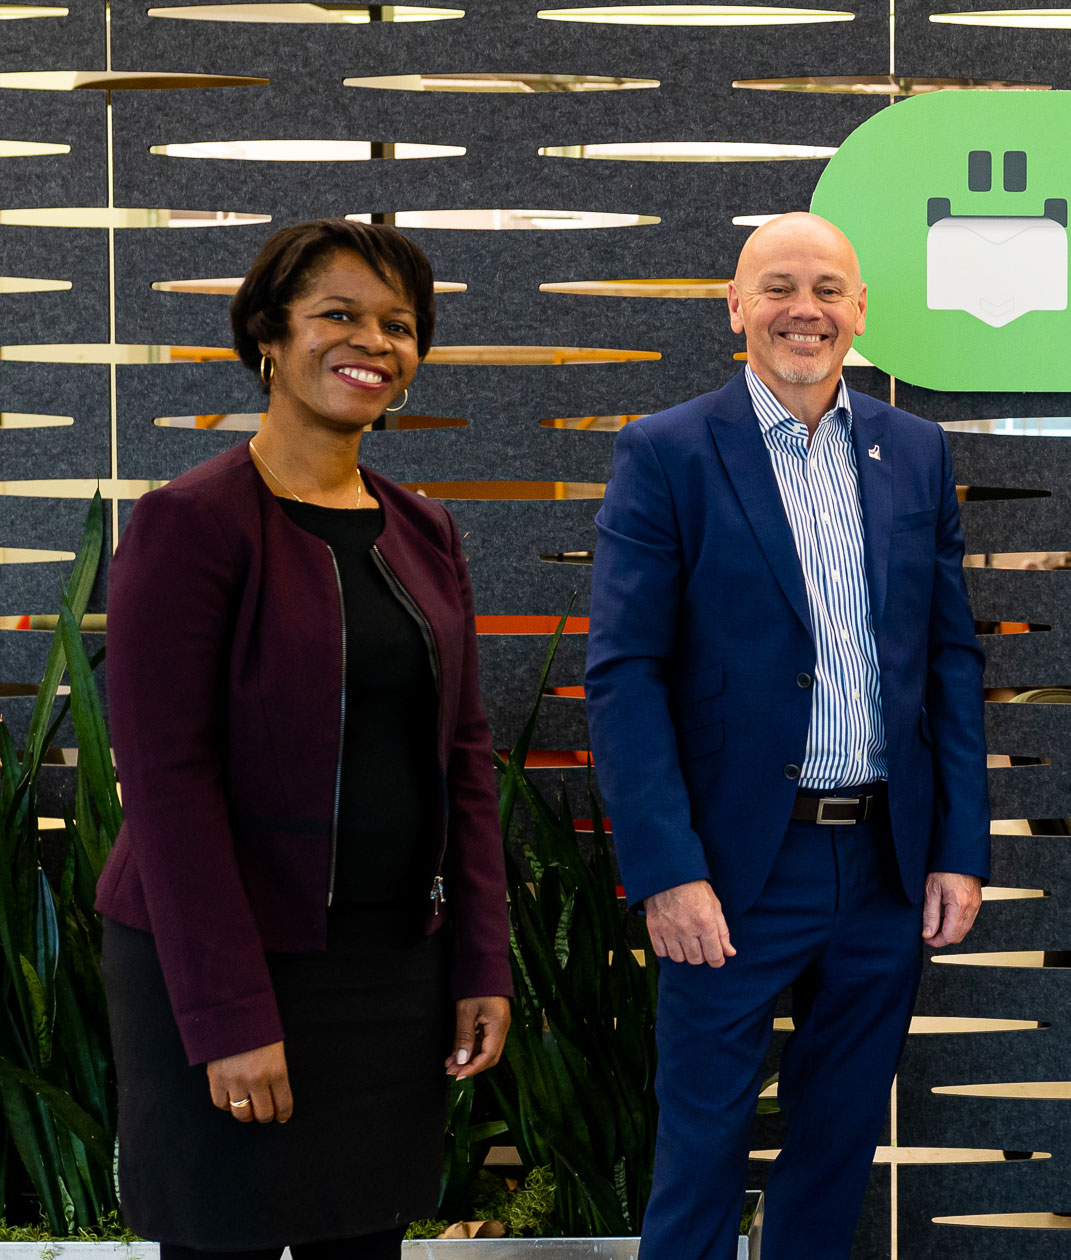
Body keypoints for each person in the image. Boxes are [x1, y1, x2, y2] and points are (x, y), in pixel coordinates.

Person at [97, 219, 514, 1259]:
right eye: (338, 312)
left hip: (387, 971)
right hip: (223, 964)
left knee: (364, 1242)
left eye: (399, 324)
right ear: (269, 338)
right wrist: (231, 1014)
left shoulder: (426, 532)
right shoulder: (189, 524)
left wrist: (481, 962)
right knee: (221, 1239)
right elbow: (166, 785)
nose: (371, 340)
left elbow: (463, 757)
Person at [586, 211, 988, 1259]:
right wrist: (666, 870)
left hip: (886, 861)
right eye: (776, 287)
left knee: (837, 1147)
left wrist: (957, 849)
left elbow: (948, 661)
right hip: (731, 867)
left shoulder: (915, 452)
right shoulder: (667, 453)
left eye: (826, 289)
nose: (802, 310)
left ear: (860, 311)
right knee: (703, 1147)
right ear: (735, 307)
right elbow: (624, 675)